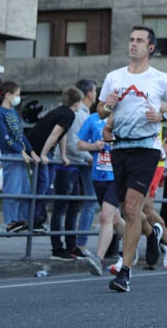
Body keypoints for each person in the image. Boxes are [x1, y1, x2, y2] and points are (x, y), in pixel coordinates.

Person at [98, 26, 167, 293]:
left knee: (133, 208)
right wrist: (108, 106)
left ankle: (125, 271)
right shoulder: (114, 77)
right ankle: (158, 237)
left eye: (139, 41)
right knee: (127, 209)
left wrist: (161, 117)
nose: (133, 44)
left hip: (146, 149)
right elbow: (101, 111)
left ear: (150, 48)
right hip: (120, 148)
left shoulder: (160, 79)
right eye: (131, 39)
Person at [76, 98, 125, 276]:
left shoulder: (124, 120)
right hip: (98, 176)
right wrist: (94, 146)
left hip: (117, 176)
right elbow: (79, 144)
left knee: (105, 215)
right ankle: (133, 243)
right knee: (114, 219)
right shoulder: (93, 119)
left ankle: (98, 259)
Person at [27, 88, 80, 234]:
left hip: (44, 148)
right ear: (78, 102)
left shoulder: (63, 111)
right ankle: (35, 218)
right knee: (43, 183)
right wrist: (43, 154)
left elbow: (62, 135)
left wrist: (62, 155)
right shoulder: (68, 114)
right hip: (39, 147)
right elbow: (54, 134)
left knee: (47, 183)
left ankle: (40, 218)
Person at [0, 81, 40, 233]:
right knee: (12, 189)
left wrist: (31, 151)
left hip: (21, 154)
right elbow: (5, 137)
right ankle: (10, 221)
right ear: (8, 95)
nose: (18, 98)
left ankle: (22, 218)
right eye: (17, 95)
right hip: (11, 154)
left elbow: (21, 135)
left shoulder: (13, 113)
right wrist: (21, 152)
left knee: (25, 189)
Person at [48, 86, 88, 261]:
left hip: (75, 166)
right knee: (63, 208)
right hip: (69, 166)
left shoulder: (74, 114)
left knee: (72, 209)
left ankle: (70, 246)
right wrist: (89, 158)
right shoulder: (74, 115)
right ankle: (58, 248)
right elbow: (72, 143)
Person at [71, 79, 98, 254]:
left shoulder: (84, 113)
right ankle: (80, 243)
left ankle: (77, 242)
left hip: (82, 162)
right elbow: (76, 142)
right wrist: (90, 158)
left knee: (79, 203)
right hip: (82, 163)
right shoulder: (81, 114)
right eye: (94, 91)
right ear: (89, 93)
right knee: (90, 202)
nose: (96, 95)